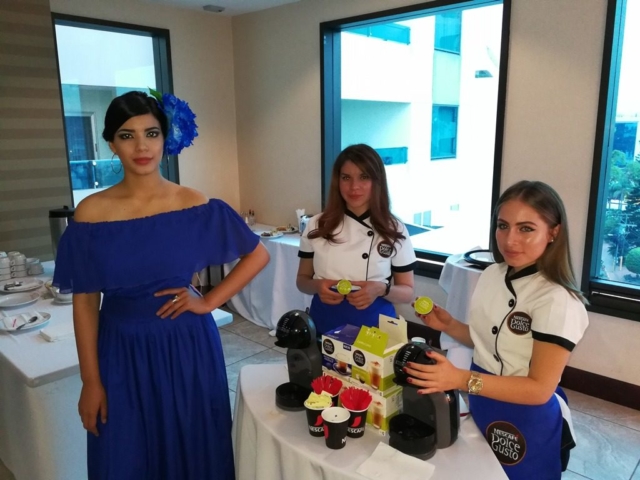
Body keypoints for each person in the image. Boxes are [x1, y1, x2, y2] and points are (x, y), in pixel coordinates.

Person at [53, 90, 269, 480]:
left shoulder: (194, 204)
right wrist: (91, 381)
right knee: (124, 455)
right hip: (121, 350)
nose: (141, 146)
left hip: (187, 347)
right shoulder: (91, 214)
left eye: (151, 134)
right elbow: (84, 303)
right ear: (111, 144)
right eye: (127, 135)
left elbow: (257, 254)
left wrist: (208, 301)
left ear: (165, 139)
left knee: (194, 448)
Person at [406, 180, 589, 480]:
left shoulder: (558, 300)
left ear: (553, 232)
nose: (510, 240)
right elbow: (488, 343)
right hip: (483, 401)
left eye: (526, 228)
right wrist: (448, 324)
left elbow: (539, 389)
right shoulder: (492, 274)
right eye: (503, 226)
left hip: (525, 417)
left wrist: (461, 379)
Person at [296, 144, 416, 334]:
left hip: (375, 327)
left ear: (377, 181)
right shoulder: (317, 225)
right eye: (346, 178)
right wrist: (317, 286)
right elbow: (302, 281)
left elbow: (407, 292)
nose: (354, 187)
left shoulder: (394, 229)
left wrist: (381, 289)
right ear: (337, 181)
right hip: (325, 321)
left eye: (364, 177)